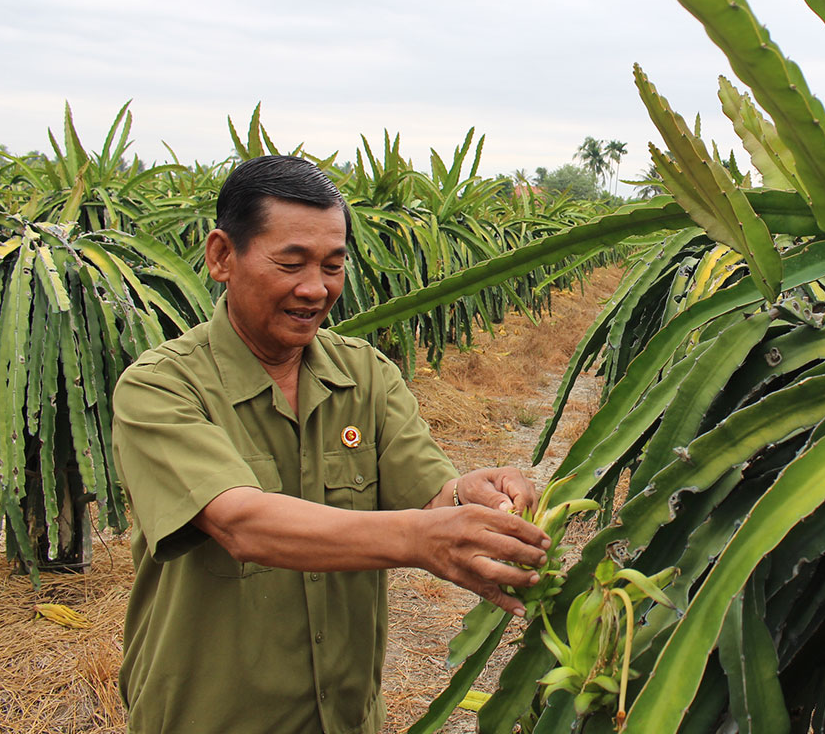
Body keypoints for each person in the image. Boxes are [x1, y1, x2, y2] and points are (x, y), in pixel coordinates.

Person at [111, 155, 551, 734]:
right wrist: (419, 539)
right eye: (290, 263)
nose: (315, 288)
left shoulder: (366, 374)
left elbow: (429, 495)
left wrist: (469, 496)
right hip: (210, 717)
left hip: (347, 717)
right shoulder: (160, 387)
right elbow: (241, 524)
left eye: (333, 265)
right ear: (222, 256)